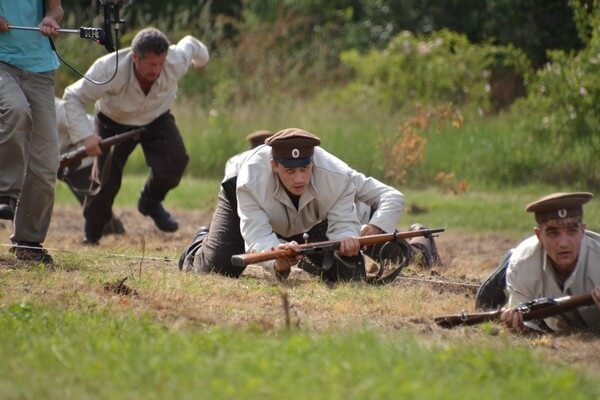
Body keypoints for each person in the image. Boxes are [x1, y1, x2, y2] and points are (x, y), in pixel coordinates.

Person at [179, 128, 415, 282]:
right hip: (243, 210)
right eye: (290, 171)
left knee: (347, 277)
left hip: (311, 219)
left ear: (313, 161)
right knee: (216, 270)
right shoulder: (250, 180)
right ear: (274, 165)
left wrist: (348, 239)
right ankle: (203, 240)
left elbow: (343, 223)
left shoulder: (337, 176)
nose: (299, 179)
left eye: (305, 169)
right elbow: (257, 236)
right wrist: (278, 260)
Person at [62, 27, 210, 244]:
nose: (156, 70)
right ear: (135, 58)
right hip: (113, 121)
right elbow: (73, 96)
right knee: (106, 180)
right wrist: (86, 136)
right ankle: (92, 233)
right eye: (151, 64)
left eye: (160, 63)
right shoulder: (108, 69)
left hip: (156, 118)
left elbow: (192, 43)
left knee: (175, 161)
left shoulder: (175, 60)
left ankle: (150, 201)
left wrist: (201, 61)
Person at [0, 1, 66, 264]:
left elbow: (55, 8)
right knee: (16, 111)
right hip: (2, 63)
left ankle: (28, 243)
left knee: (47, 160)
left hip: (40, 69)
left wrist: (50, 20)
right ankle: (5, 192)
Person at [479, 192, 600, 332]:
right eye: (553, 233)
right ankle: (507, 261)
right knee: (485, 302)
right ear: (538, 235)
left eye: (572, 231)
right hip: (518, 267)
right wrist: (518, 324)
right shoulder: (522, 265)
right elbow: (528, 324)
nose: (563, 244)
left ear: (583, 231)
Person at [55, 97, 124, 235]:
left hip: (82, 159)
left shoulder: (56, 110)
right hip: (61, 161)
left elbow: (91, 127)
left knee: (94, 207)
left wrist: (83, 149)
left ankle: (114, 232)